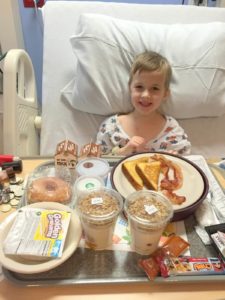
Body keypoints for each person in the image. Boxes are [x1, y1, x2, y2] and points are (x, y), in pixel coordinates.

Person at [96, 51, 191, 156]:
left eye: (155, 88)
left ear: (165, 94)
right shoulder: (111, 127)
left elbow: (187, 160)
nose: (146, 95)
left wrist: (175, 158)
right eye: (139, 87)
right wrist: (123, 151)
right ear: (130, 88)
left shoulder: (172, 130)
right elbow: (100, 160)